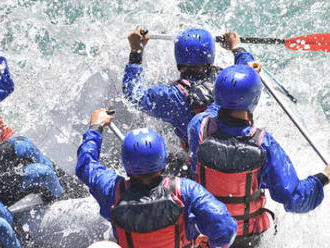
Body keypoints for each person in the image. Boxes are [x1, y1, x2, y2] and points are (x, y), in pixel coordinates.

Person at [187, 64, 330, 247]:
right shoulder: (264, 145)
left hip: (205, 232)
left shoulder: (198, 127)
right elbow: (294, 198)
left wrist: (242, 64)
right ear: (254, 99)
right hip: (246, 238)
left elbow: (217, 109)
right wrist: (323, 177)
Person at [76, 108, 237, 248]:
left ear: (126, 163)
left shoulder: (111, 190)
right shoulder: (186, 189)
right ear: (163, 157)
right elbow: (226, 228)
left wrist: (95, 127)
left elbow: (86, 166)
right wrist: (211, 244)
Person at [122, 27, 257, 150]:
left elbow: (133, 95)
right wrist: (237, 48)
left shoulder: (172, 96)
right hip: (237, 147)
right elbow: (249, 71)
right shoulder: (231, 82)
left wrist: (136, 51)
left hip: (198, 159)